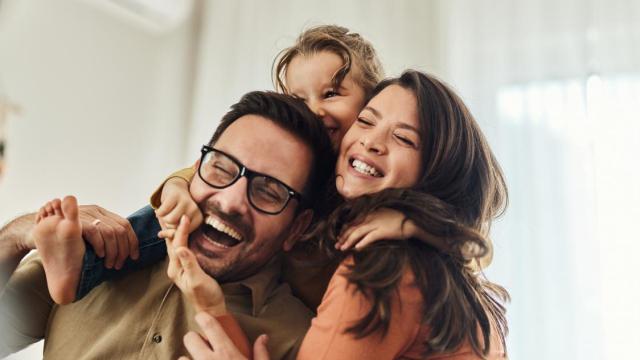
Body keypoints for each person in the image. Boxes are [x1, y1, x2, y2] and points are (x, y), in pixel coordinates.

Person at [173, 70, 510, 359]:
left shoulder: (382, 272)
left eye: (404, 138)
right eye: (365, 121)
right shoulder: (441, 270)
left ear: (437, 171)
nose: (371, 142)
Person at [0, 90, 334, 360]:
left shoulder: (301, 342)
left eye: (269, 192)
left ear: (297, 228)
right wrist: (15, 236)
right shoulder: (89, 258)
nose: (230, 201)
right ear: (196, 167)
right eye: (222, 167)